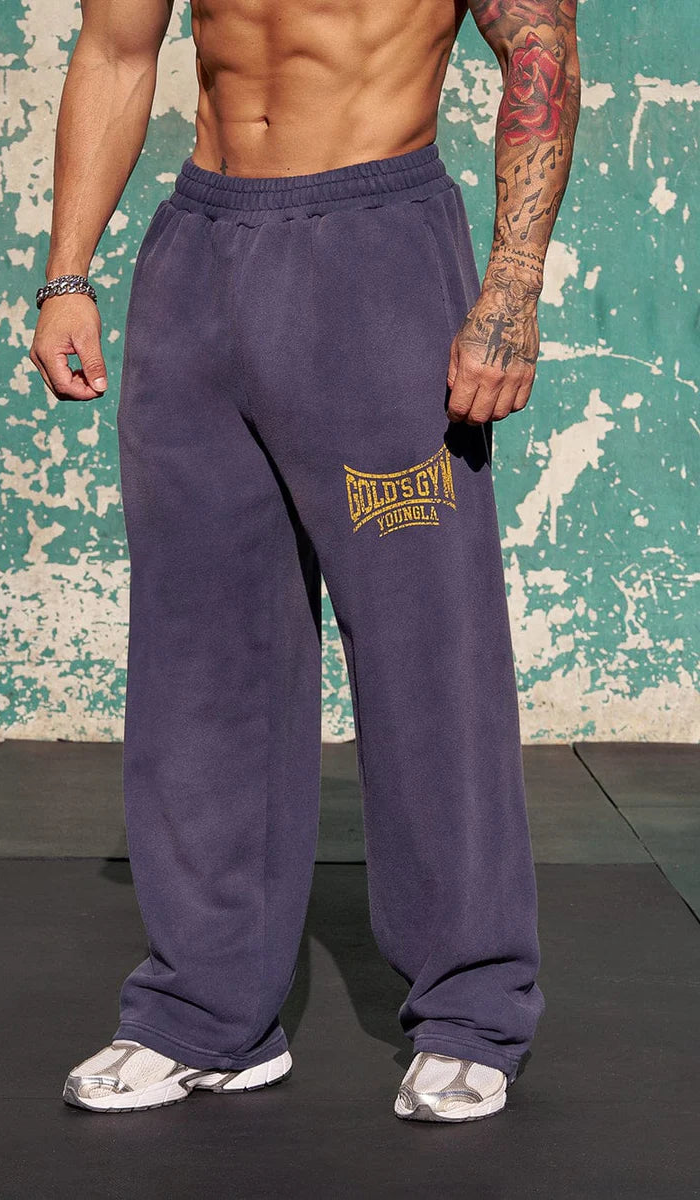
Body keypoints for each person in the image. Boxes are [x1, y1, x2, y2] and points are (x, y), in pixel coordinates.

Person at [30, 0, 580, 1123]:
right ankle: (204, 1013)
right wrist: (66, 273)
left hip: (375, 250)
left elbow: (540, 44)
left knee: (425, 652)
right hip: (198, 254)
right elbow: (117, 48)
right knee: (200, 655)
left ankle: (471, 1009)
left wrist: (513, 285)